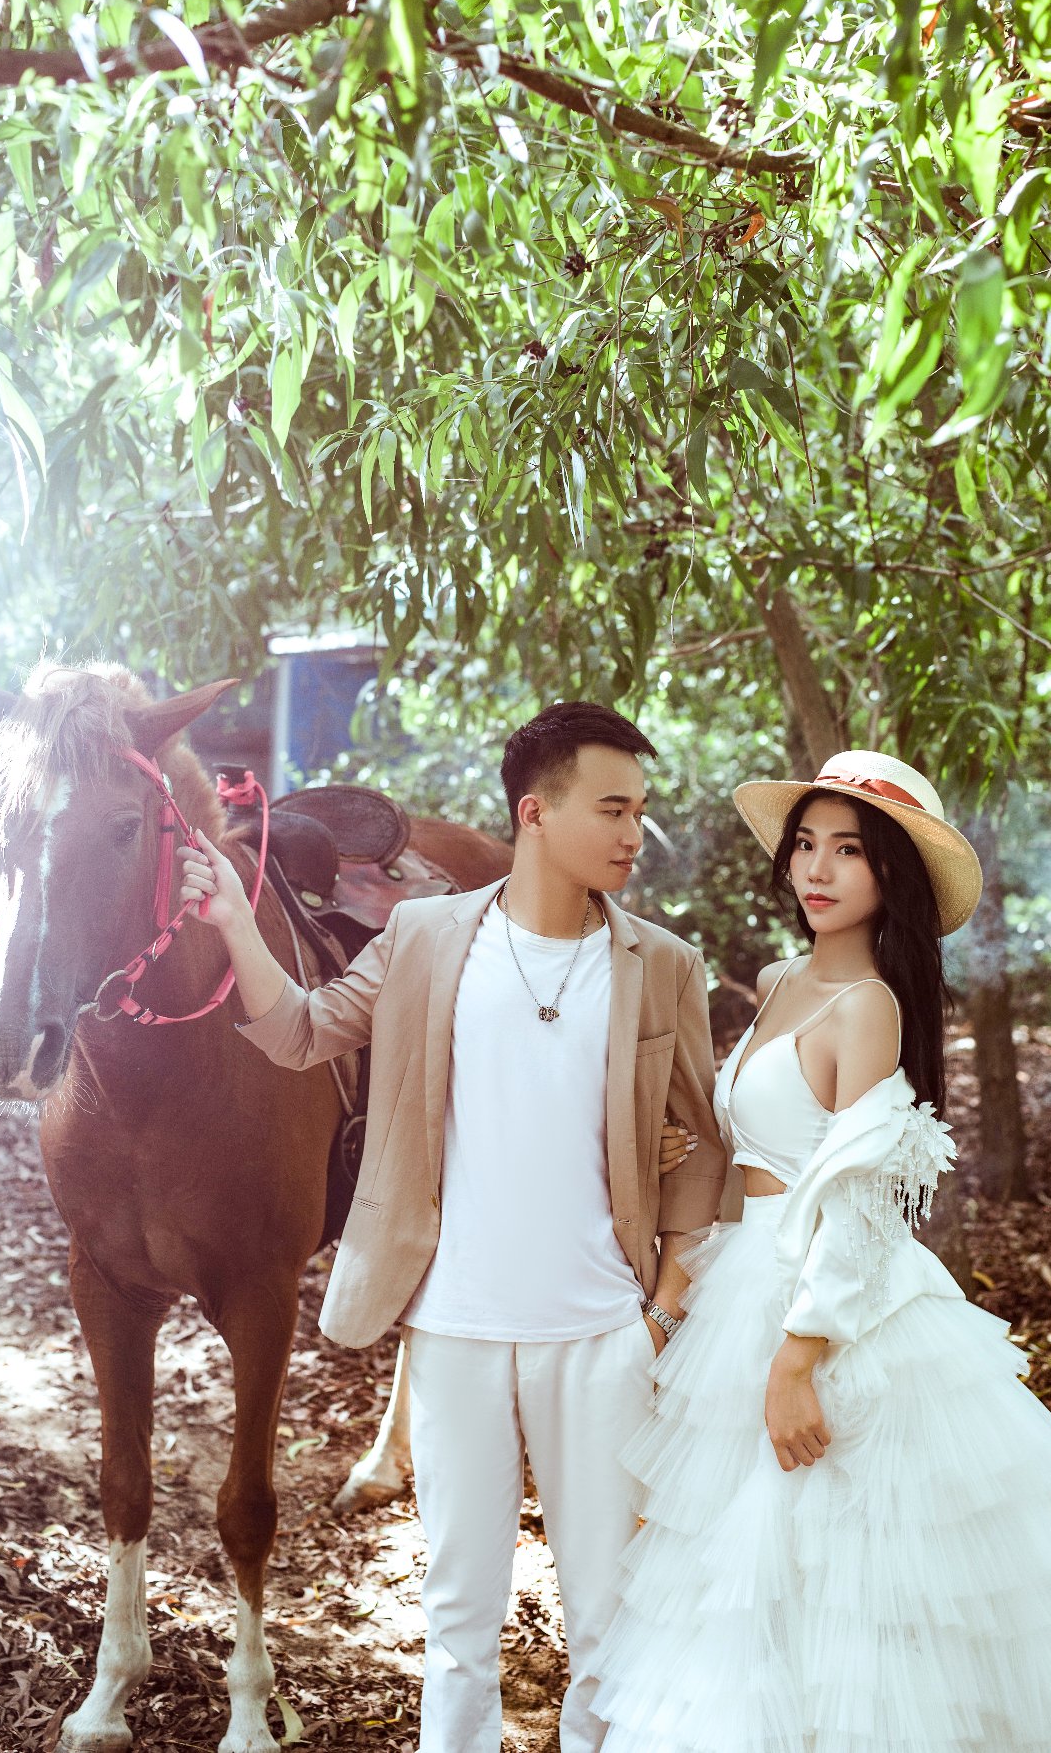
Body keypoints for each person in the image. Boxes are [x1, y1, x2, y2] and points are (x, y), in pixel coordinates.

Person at [177, 702, 726, 1753]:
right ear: (535, 814)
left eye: (639, 810)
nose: (632, 833)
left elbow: (697, 1142)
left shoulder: (663, 964)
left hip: (602, 1336)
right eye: (612, 809)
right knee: (458, 1621)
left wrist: (660, 1309)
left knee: (608, 1618)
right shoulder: (426, 938)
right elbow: (299, 1033)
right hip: (455, 1331)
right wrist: (236, 924)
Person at [592, 751, 1051, 1753]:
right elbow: (757, 1145)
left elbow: (861, 1197)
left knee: (843, 1573)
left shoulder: (869, 1006)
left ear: (892, 874)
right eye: (806, 844)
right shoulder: (782, 981)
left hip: (823, 1300)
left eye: (848, 850)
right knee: (742, 1575)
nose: (817, 868)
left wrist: (798, 1357)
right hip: (744, 1279)